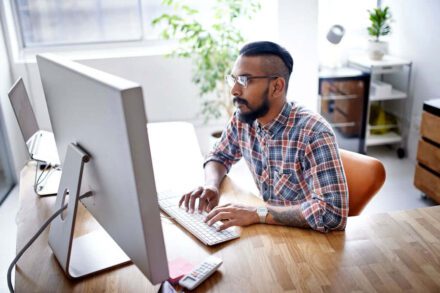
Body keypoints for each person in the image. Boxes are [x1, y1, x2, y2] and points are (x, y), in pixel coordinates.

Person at [179, 41, 348, 233]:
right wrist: (211, 185)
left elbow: (332, 214)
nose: (234, 90)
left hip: (310, 241)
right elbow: (219, 155)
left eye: (244, 80)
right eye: (233, 79)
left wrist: (257, 213)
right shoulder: (243, 119)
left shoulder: (313, 134)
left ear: (277, 87)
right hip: (271, 233)